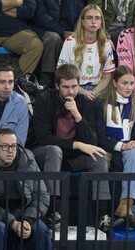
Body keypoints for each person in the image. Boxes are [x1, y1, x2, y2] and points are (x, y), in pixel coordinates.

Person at [33, 64, 110, 204]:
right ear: (57, 86)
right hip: (47, 154)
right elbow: (44, 139)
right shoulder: (44, 100)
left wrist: (77, 116)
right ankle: (52, 209)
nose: (70, 91)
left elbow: (92, 141)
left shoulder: (86, 103)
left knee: (99, 155)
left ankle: (101, 214)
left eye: (74, 86)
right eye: (66, 87)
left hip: (73, 158)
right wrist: (78, 145)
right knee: (54, 151)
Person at [0, 128, 51, 250]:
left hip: (24, 215)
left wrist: (28, 219)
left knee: (42, 230)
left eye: (13, 146)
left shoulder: (28, 160)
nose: (10, 151)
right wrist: (12, 222)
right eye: (5, 146)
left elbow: (42, 195)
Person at [95, 65, 135, 225]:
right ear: (114, 83)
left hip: (131, 150)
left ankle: (125, 205)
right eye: (124, 83)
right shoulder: (100, 104)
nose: (129, 87)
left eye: (131, 84)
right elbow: (100, 136)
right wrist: (121, 146)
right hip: (110, 148)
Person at [57, 4, 116, 100]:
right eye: (89, 18)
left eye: (97, 18)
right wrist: (83, 92)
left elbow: (106, 77)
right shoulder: (70, 42)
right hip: (74, 90)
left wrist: (93, 93)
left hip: (98, 90)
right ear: (83, 21)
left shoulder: (106, 44)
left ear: (101, 22)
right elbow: (62, 73)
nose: (93, 22)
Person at [31, 0, 88, 86]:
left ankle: (79, 80)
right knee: (53, 39)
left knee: (81, 39)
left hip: (71, 30)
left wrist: (77, 32)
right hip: (47, 29)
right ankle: (46, 80)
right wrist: (62, 31)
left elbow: (81, 15)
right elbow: (41, 17)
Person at [0, 0, 43, 74]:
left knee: (35, 45)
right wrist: (16, 2)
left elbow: (29, 11)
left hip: (15, 31)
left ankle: (16, 80)